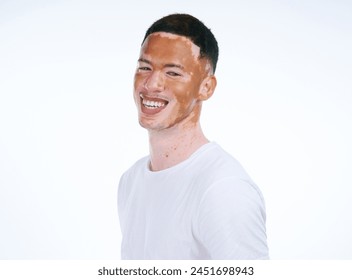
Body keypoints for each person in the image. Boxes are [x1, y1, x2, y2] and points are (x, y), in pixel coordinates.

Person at [118, 13, 269, 260]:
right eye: (145, 67)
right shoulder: (131, 182)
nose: (152, 84)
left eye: (173, 73)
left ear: (206, 87)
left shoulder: (223, 189)